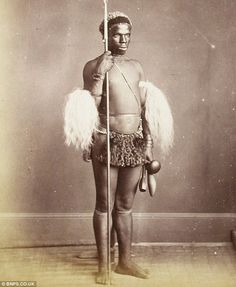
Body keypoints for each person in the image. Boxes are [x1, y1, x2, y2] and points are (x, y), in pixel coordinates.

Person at [64, 11, 174, 285]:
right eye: (117, 34)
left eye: (127, 35)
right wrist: (99, 74)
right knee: (104, 205)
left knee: (125, 206)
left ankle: (124, 261)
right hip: (106, 142)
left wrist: (147, 144)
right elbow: (90, 106)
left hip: (135, 142)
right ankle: (104, 265)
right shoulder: (92, 65)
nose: (123, 40)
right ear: (105, 36)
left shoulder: (137, 66)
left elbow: (145, 107)